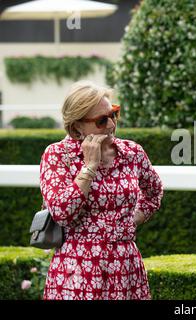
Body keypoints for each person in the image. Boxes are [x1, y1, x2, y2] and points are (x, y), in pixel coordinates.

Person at [39, 80, 163, 300]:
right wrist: (90, 166)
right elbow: (61, 212)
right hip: (76, 270)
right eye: (101, 120)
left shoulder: (132, 152)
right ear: (77, 125)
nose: (111, 124)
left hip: (126, 268)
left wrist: (132, 221)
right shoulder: (58, 155)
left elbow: (154, 191)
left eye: (113, 114)